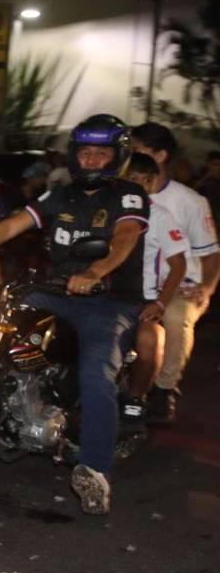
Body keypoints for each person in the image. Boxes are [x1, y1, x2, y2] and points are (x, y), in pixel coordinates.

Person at [0, 114, 150, 514]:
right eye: (84, 152)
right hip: (53, 291)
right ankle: (7, 414)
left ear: (117, 157)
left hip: (108, 299)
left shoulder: (128, 195)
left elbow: (124, 239)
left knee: (96, 375)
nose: (90, 160)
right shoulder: (60, 195)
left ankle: (95, 470)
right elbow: (11, 225)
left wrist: (95, 272)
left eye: (100, 153)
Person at [128, 123, 219, 426]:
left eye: (137, 151)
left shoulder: (191, 202)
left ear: (161, 155)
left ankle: (165, 389)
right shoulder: (121, 194)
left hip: (181, 285)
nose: (129, 156)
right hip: (135, 284)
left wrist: (206, 287)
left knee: (177, 319)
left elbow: (209, 253)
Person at [118, 152, 188, 432]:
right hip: (104, 296)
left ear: (151, 183)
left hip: (141, 300)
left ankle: (136, 396)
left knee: (150, 339)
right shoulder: (107, 210)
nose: (135, 185)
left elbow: (178, 265)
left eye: (142, 181)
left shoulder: (160, 216)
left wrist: (160, 303)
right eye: (129, 179)